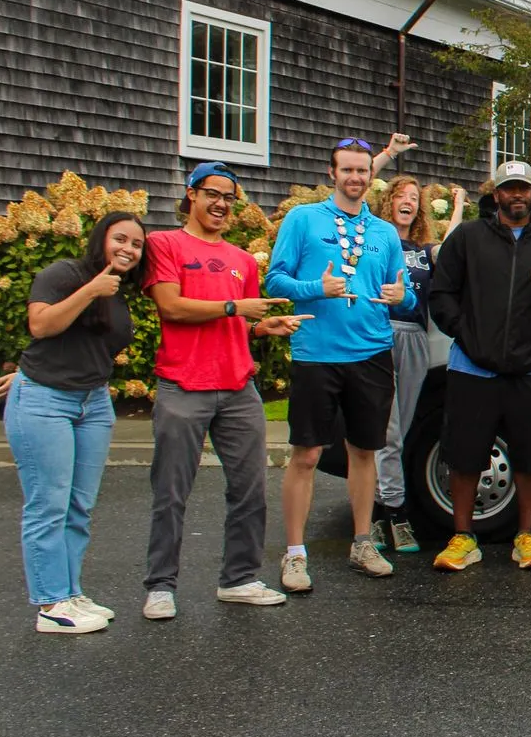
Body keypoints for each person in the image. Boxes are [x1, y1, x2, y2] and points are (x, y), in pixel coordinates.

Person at [143, 162, 307, 621]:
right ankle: (160, 586)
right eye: (212, 194)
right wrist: (236, 307)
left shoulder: (239, 260)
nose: (220, 204)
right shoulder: (165, 245)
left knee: (250, 489)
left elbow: (232, 323)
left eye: (229, 198)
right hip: (182, 384)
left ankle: (239, 579)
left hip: (237, 387)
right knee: (171, 491)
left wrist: (259, 328)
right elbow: (172, 307)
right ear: (191, 195)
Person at [265, 138, 414, 591]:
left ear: (372, 176)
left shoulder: (385, 233)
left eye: (362, 171)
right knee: (307, 454)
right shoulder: (302, 220)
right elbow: (275, 278)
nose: (355, 178)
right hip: (317, 355)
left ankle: (363, 541)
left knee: (365, 451)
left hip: (370, 352)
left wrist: (400, 296)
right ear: (332, 174)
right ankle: (294, 554)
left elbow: (403, 292)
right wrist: (317, 287)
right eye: (347, 170)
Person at [427, 160, 531, 572]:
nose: (518, 195)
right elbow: (442, 293)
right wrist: (466, 332)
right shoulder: (467, 238)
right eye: (510, 188)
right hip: (473, 367)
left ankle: (526, 538)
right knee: (464, 454)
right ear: (495, 193)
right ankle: (463, 538)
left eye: (525, 189)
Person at [6, 212, 145, 634]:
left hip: (94, 403)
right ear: (101, 238)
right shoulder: (65, 274)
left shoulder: (119, 291)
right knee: (48, 503)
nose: (128, 249)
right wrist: (89, 291)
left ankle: (70, 591)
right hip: (45, 399)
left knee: (78, 506)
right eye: (120, 238)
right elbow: (41, 325)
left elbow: (87, 346)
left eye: (137, 244)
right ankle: (50, 605)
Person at [370, 173, 465, 555]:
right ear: (389, 202)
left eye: (414, 197)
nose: (407, 201)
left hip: (414, 338)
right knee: (387, 430)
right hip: (379, 335)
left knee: (402, 429)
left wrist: (458, 207)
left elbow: (453, 246)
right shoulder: (375, 241)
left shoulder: (424, 251)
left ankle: (381, 512)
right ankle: (391, 514)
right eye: (401, 196)